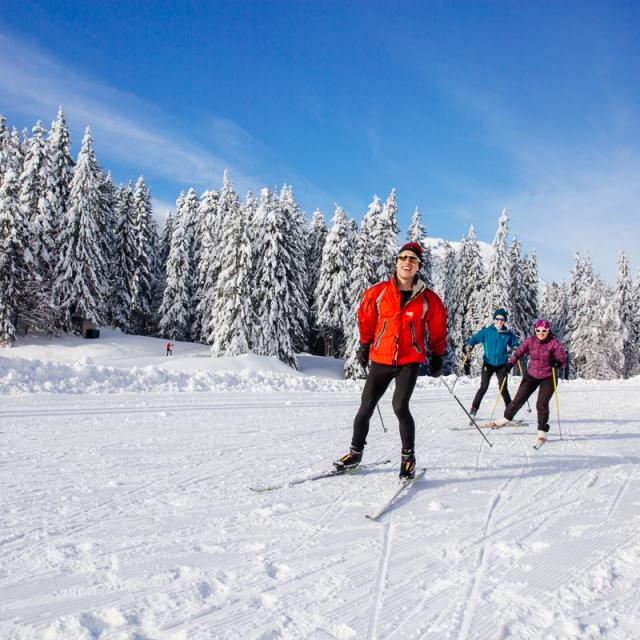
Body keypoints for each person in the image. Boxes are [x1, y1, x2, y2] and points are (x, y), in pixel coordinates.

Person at [334, 242, 447, 479]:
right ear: (396, 262)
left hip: (409, 361)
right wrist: (365, 345)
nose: (407, 262)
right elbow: (366, 319)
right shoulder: (378, 292)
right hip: (382, 359)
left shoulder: (428, 300)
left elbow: (437, 329)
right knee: (365, 407)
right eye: (403, 257)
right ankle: (355, 453)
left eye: (413, 260)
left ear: (418, 266)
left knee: (400, 406)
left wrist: (437, 355)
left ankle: (408, 458)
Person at [493, 319, 567, 445]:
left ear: (548, 331)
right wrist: (509, 365)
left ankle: (542, 431)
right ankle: (506, 418)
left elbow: (563, 360)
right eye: (538, 330)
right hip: (532, 375)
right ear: (535, 330)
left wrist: (557, 363)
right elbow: (518, 352)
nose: (541, 333)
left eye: (544, 331)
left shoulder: (554, 343)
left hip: (548, 377)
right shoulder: (530, 341)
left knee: (541, 403)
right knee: (518, 399)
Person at [465, 308, 519, 419]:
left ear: (505, 321)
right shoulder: (487, 332)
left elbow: (515, 343)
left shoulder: (507, 334)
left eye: (502, 319)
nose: (499, 321)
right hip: (488, 364)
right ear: (494, 319)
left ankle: (510, 413)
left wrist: (516, 347)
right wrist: (470, 344)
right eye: (497, 318)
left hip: (502, 365)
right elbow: (475, 339)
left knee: (503, 388)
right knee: (483, 387)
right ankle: (473, 410)